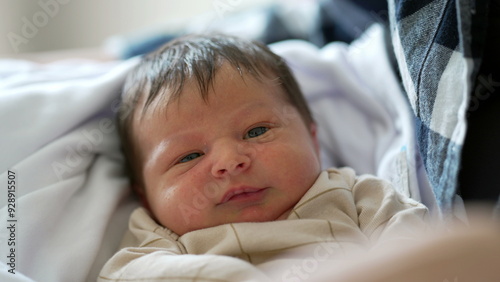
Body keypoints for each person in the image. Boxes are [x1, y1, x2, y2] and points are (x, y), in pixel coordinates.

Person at [98, 34, 430, 281]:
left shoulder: (355, 194)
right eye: (189, 156)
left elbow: (416, 246)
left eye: (257, 132)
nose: (229, 160)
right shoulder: (162, 241)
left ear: (313, 140)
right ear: (146, 196)